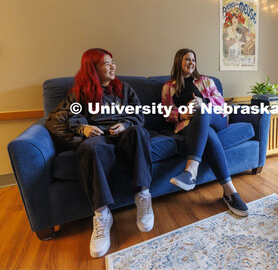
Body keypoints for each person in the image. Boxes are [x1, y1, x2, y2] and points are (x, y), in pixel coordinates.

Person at [46, 48, 154, 258]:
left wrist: (125, 124)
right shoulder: (80, 93)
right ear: (93, 68)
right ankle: (102, 214)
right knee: (90, 147)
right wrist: (82, 128)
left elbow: (139, 114)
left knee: (139, 132)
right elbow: (63, 118)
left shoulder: (124, 89)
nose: (113, 66)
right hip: (99, 138)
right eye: (107, 63)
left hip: (123, 133)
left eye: (113, 62)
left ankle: (143, 195)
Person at [161, 48, 249, 217]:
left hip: (216, 117)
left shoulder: (206, 81)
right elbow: (166, 112)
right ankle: (229, 191)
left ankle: (191, 169)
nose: (191, 63)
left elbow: (220, 101)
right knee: (206, 132)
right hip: (191, 124)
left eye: (193, 60)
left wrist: (204, 101)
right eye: (187, 59)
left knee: (202, 110)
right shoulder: (168, 87)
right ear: (178, 61)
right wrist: (181, 114)